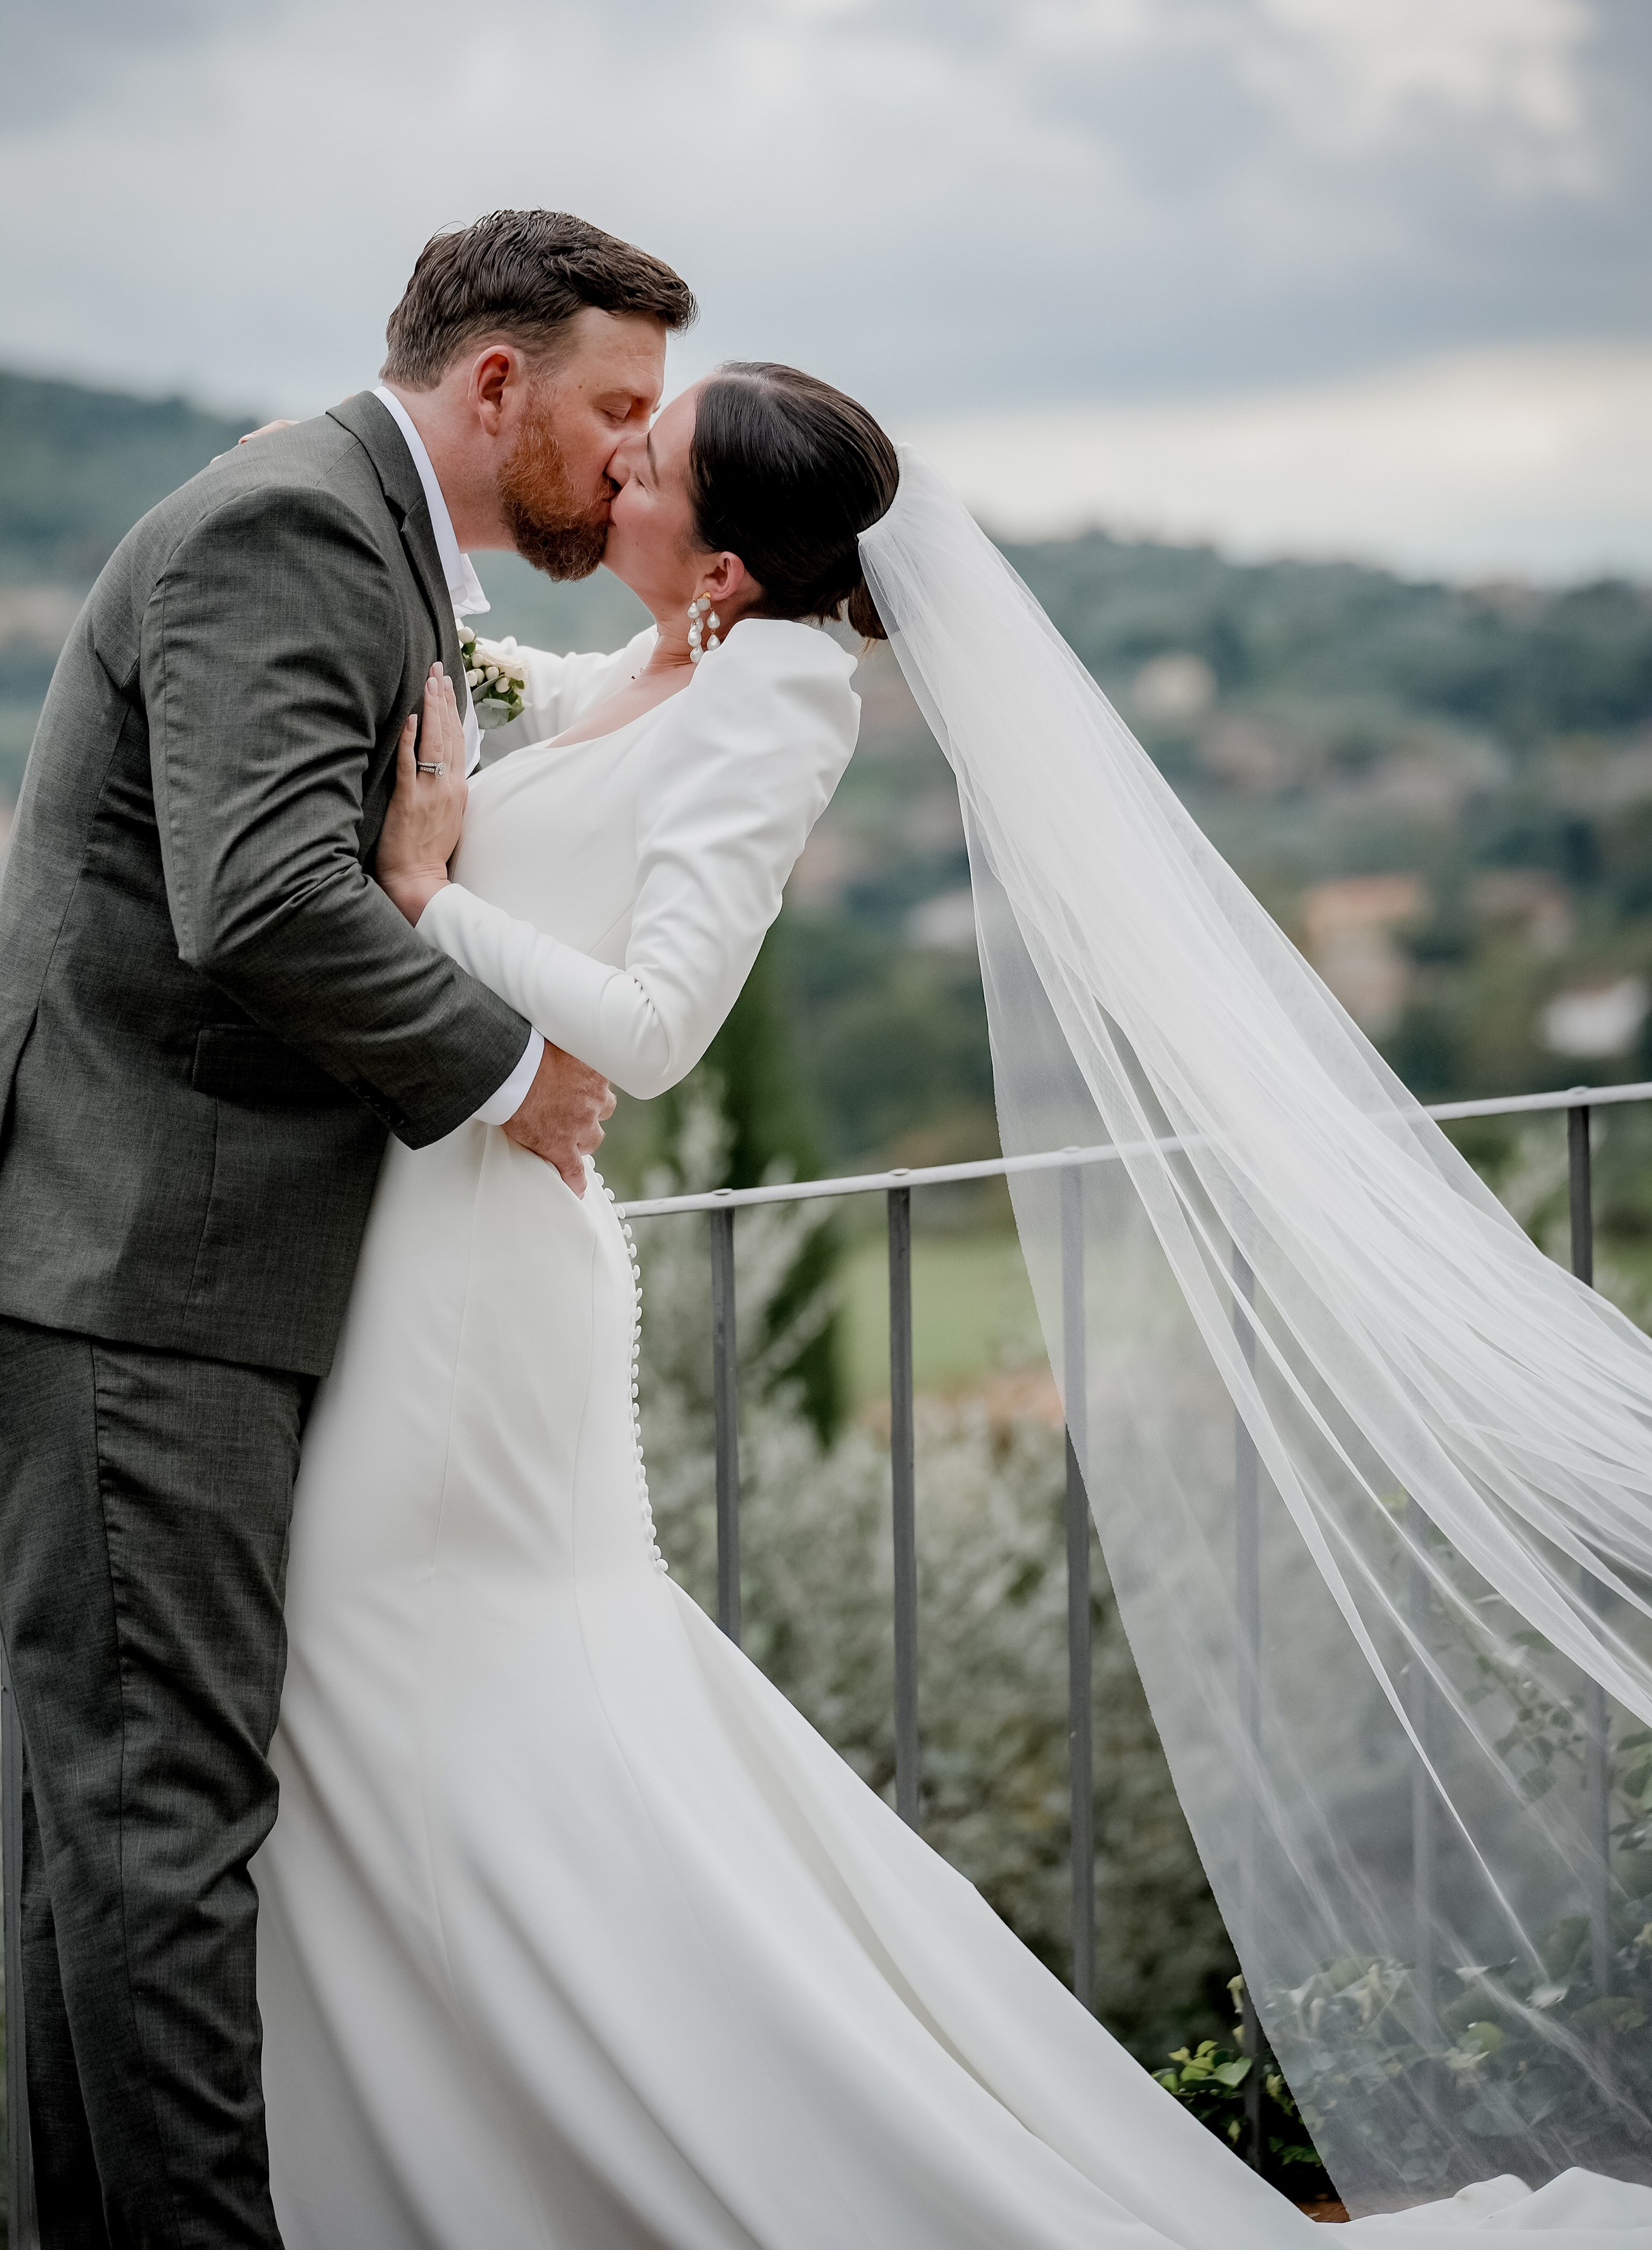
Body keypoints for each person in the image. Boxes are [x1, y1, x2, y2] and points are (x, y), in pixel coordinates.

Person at [254, 359, 1652, 2245]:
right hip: (428, 1247)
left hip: (483, 1290)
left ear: (725, 566)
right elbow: (544, 725)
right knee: (406, 1697)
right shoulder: (659, 668)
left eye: (647, 459)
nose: (612, 463)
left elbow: (654, 1028)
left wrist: (429, 903)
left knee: (414, 1679)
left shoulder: (777, 696)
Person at [0, 210, 695, 2247]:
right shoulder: (292, 525)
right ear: (494, 384)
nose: (632, 459)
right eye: (616, 411)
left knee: (115, 1827)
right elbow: (262, 894)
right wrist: (517, 1073)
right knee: (160, 1826)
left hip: (173, 1262)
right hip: (142, 1269)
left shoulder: (359, 530)